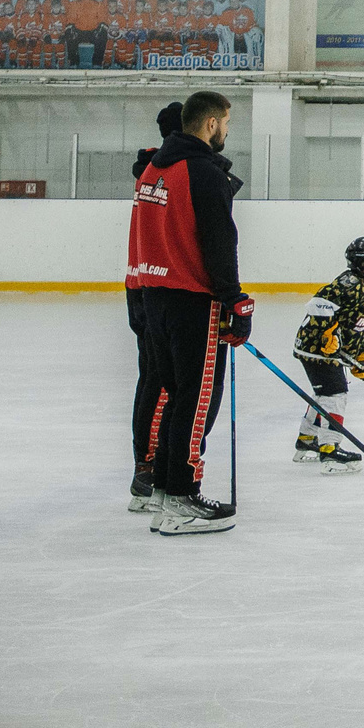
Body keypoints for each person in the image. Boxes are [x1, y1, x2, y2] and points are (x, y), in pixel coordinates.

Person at [125, 89, 253, 536]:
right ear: (212, 123)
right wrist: (236, 301)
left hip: (154, 296)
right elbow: (220, 246)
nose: (226, 131)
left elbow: (141, 236)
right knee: (196, 402)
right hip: (193, 302)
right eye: (227, 123)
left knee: (174, 396)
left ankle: (164, 489)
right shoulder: (202, 173)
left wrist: (137, 294)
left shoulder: (154, 170)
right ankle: (182, 497)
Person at [124, 101, 184, 515]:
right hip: (153, 284)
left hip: (144, 281)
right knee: (160, 382)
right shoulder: (162, 171)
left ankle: (151, 468)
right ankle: (148, 469)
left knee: (159, 380)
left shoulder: (155, 167)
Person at [292, 238, 364, 470]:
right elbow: (318, 304)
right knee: (335, 395)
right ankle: (330, 449)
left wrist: (362, 356)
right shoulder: (350, 283)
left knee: (325, 394)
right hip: (317, 349)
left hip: (324, 352)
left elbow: (357, 326)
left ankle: (307, 440)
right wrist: (327, 331)